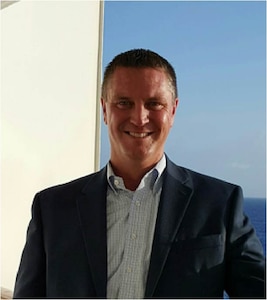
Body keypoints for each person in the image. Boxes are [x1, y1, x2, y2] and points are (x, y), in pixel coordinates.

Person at [13, 49, 265, 299]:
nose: (139, 117)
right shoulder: (52, 209)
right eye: (124, 103)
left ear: (173, 111)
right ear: (104, 110)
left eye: (154, 103)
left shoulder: (220, 204)